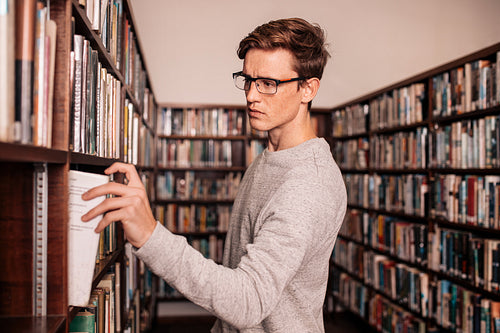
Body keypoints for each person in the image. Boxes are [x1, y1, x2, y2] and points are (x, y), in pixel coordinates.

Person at [82, 17, 347, 333]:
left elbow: (248, 301)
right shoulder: (270, 158)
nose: (251, 95)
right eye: (247, 79)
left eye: (268, 83)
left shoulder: (308, 185)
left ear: (308, 88)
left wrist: (150, 234)